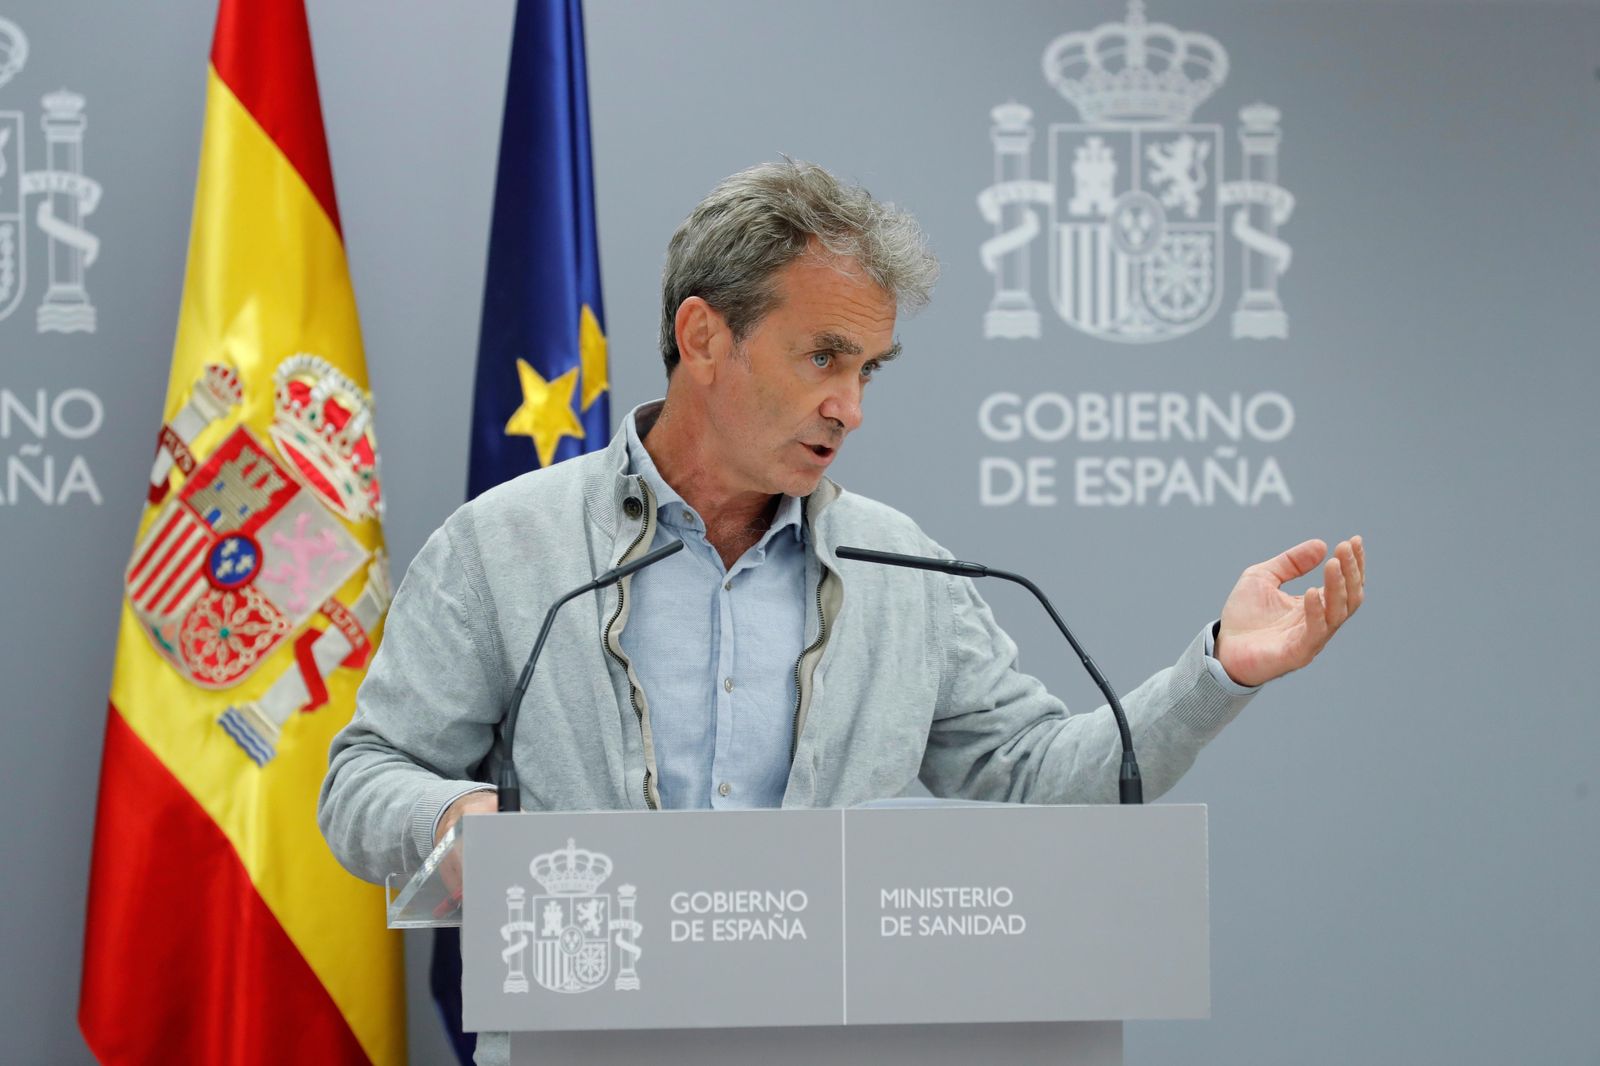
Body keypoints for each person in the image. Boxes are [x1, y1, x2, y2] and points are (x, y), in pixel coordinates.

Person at [319, 160, 1364, 1059]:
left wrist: (1217, 670)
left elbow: (1041, 781)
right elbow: (362, 778)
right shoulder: (509, 546)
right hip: (583, 1038)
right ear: (702, 335)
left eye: (868, 369)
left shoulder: (899, 565)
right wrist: (452, 820)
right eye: (823, 356)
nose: (850, 407)